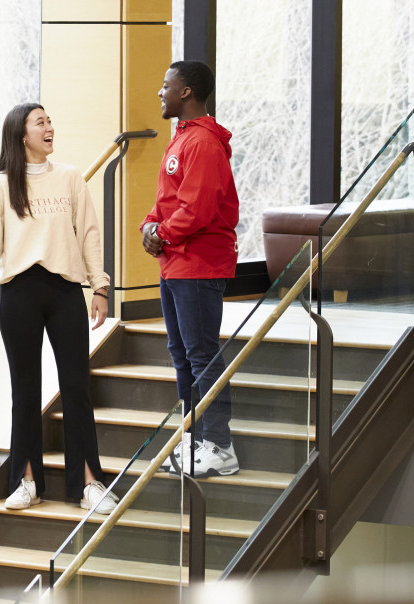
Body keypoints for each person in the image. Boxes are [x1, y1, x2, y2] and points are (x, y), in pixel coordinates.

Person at [0, 102, 119, 514]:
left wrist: (100, 287)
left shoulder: (71, 178)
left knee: (76, 386)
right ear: (23, 135)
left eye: (51, 121)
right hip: (19, 295)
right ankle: (26, 481)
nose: (50, 127)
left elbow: (90, 235)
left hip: (65, 293)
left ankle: (89, 484)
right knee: (24, 391)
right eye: (42, 123)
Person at [140, 60, 240, 478]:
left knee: (201, 354)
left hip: (198, 264)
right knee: (182, 353)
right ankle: (196, 434)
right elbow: (169, 200)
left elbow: (196, 209)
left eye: (167, 86)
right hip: (176, 263)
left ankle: (220, 444)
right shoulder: (183, 138)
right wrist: (149, 225)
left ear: (186, 92)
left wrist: (160, 233)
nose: (160, 92)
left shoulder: (201, 143)